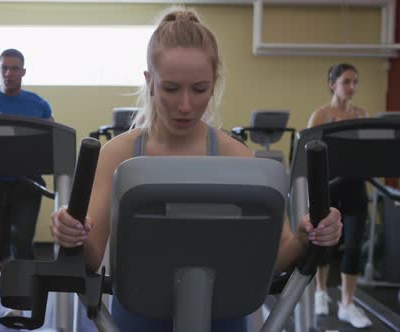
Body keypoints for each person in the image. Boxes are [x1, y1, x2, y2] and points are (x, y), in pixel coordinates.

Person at [50, 7, 343, 332]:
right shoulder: (117, 154)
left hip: (224, 317)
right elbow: (91, 257)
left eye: (199, 89)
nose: (185, 105)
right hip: (137, 316)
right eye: (171, 89)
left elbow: (274, 260)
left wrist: (305, 236)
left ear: (213, 82)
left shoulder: (237, 157)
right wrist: (72, 232)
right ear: (149, 81)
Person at [0, 48, 53, 263]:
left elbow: (52, 140)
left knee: (22, 241)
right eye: (4, 68)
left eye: (14, 68)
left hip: (28, 182)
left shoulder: (39, 105)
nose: (8, 73)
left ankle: (25, 292)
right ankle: (9, 287)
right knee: (0, 247)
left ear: (23, 72)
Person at [308, 63, 372, 328]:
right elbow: (310, 154)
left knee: (354, 244)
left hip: (355, 185)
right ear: (332, 84)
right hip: (329, 186)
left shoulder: (362, 114)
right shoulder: (321, 115)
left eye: (355, 81)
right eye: (346, 81)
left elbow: (368, 151)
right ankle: (321, 292)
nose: (352, 87)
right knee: (325, 243)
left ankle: (347, 303)